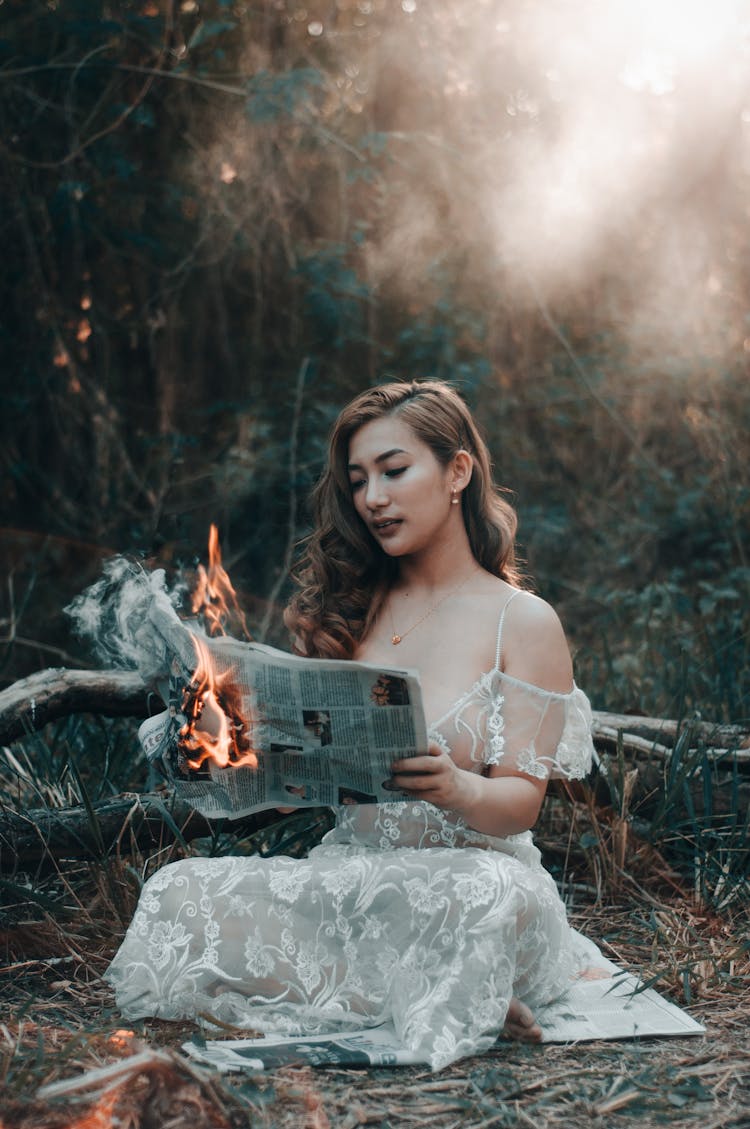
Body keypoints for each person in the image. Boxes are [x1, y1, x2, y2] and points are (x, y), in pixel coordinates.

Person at [105, 380, 594, 1070]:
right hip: (355, 885)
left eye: (394, 471)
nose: (373, 498)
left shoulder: (523, 619)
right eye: (360, 480)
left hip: (476, 885)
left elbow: (521, 803)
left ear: (457, 472)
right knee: (178, 891)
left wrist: (454, 785)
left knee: (480, 894)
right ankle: (437, 990)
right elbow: (290, 789)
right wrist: (217, 752)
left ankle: (452, 983)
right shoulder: (350, 610)